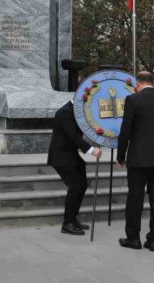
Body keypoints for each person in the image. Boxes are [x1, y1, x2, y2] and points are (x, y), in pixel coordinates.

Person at [117, 71, 154, 252]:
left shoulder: (133, 100)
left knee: (135, 199)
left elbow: (125, 131)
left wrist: (121, 156)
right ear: (152, 82)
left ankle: (133, 238)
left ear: (138, 83)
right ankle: (153, 240)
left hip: (138, 159)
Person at [47, 100, 102, 235]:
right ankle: (66, 223)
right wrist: (91, 150)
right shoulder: (64, 113)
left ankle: (72, 218)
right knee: (75, 186)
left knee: (82, 185)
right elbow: (73, 136)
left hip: (71, 155)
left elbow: (87, 127)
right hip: (61, 157)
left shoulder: (77, 111)